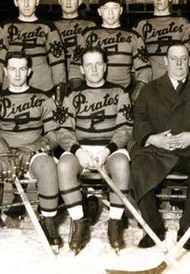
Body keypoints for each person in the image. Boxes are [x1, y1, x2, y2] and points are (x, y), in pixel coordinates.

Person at [0, 50, 62, 254]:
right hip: (3, 153)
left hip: (31, 154)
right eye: (13, 69)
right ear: (5, 71)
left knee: (47, 164)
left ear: (29, 71)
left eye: (22, 69)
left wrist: (34, 147)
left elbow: (55, 133)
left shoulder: (43, 99)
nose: (17, 74)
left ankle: (48, 221)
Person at [130, 41, 190, 250]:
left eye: (183, 59)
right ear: (165, 61)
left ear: (189, 61)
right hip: (158, 149)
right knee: (138, 166)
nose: (178, 63)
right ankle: (152, 229)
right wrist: (153, 138)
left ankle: (187, 231)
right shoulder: (151, 88)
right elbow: (139, 119)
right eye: (173, 58)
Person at [56, 46, 133, 254]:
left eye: (99, 64)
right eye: (88, 65)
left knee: (121, 164)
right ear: (81, 69)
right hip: (81, 148)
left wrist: (107, 151)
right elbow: (63, 131)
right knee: (64, 166)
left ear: (105, 66)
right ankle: (80, 222)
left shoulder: (119, 92)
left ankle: (115, 223)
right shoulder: (72, 96)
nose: (94, 69)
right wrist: (78, 151)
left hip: (109, 148)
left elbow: (125, 129)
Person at [0, 0, 66, 96]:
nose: (26, 4)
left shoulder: (48, 27)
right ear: (16, 2)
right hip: (12, 89)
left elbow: (57, 61)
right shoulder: (5, 27)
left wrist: (59, 91)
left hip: (43, 87)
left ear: (37, 1)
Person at [71, 0, 151, 101]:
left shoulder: (134, 36)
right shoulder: (87, 35)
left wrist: (132, 98)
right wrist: (80, 93)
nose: (110, 12)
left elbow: (145, 70)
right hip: (91, 96)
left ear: (121, 10)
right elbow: (75, 67)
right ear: (99, 11)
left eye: (115, 8)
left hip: (123, 94)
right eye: (105, 8)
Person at [134, 0, 190, 80]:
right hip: (152, 83)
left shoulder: (182, 23)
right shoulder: (142, 25)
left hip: (178, 82)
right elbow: (136, 59)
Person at [54, 0, 96, 92]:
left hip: (83, 78)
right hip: (56, 78)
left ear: (79, 1)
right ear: (59, 1)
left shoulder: (90, 26)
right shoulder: (50, 27)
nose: (68, 2)